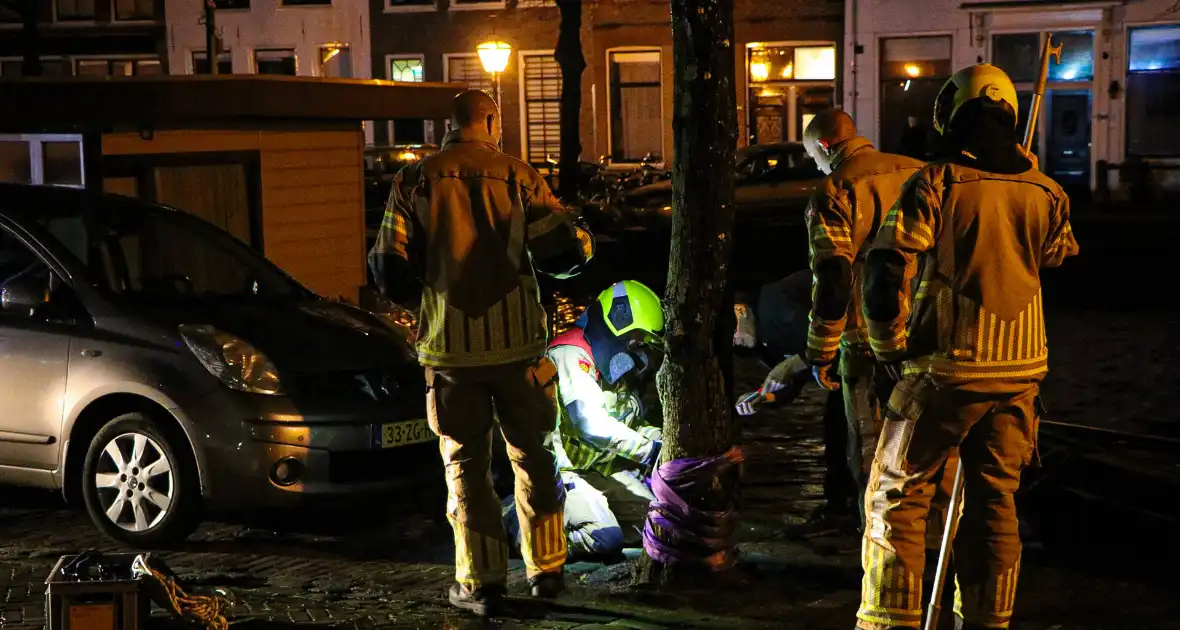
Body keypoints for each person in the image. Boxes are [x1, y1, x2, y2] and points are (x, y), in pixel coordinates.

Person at [857, 63, 1078, 630]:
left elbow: (884, 271)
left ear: (953, 119)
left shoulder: (937, 183)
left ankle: (888, 621)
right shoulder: (1050, 192)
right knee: (995, 506)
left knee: (897, 499)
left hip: (945, 371)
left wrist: (887, 351)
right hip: (1022, 375)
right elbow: (1055, 258)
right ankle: (988, 620)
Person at [368, 89, 594, 616]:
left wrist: (435, 300)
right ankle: (547, 571)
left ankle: (481, 585)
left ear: (451, 124)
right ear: (490, 120)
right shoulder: (520, 176)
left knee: (465, 469)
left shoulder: (414, 180)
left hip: (451, 355)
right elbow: (565, 254)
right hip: (518, 349)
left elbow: (386, 269)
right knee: (535, 458)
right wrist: (580, 235)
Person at [503, 280, 664, 561]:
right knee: (604, 539)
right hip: (566, 473)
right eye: (636, 337)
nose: (638, 346)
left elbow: (630, 421)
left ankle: (587, 515)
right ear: (618, 320)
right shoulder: (570, 355)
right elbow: (589, 424)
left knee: (659, 525)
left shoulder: (615, 364)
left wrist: (661, 439)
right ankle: (520, 523)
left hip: (601, 471)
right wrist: (648, 450)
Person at [734, 269, 860, 533]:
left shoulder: (775, 307)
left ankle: (850, 511)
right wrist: (762, 397)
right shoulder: (763, 343)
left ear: (741, 311)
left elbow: (829, 343)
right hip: (843, 376)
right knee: (837, 433)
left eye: (732, 332)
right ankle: (841, 509)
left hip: (861, 357)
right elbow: (789, 385)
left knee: (850, 435)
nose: (735, 342)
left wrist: (794, 364)